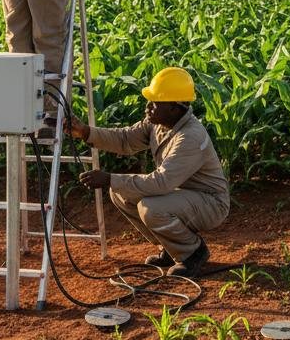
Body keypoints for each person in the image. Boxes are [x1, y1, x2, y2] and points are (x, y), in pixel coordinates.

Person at [71, 67, 230, 278]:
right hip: (181, 196)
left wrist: (110, 178)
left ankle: (192, 252)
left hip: (209, 203)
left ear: (175, 107)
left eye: (156, 102)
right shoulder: (159, 123)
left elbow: (162, 182)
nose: (148, 107)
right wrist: (84, 132)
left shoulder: (190, 137)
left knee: (150, 208)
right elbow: (125, 139)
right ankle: (171, 246)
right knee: (120, 193)